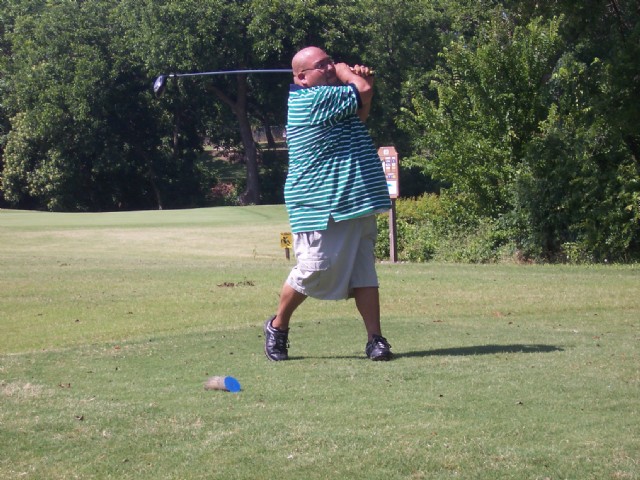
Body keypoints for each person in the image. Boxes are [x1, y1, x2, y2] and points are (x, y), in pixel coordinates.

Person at [263, 46, 393, 361]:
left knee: (363, 273)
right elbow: (360, 91)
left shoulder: (332, 99)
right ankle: (278, 326)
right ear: (302, 78)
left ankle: (375, 339)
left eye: (331, 62)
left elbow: (360, 113)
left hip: (355, 199)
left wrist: (364, 87)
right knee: (312, 270)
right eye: (322, 65)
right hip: (321, 205)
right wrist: (351, 75)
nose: (331, 67)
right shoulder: (311, 99)